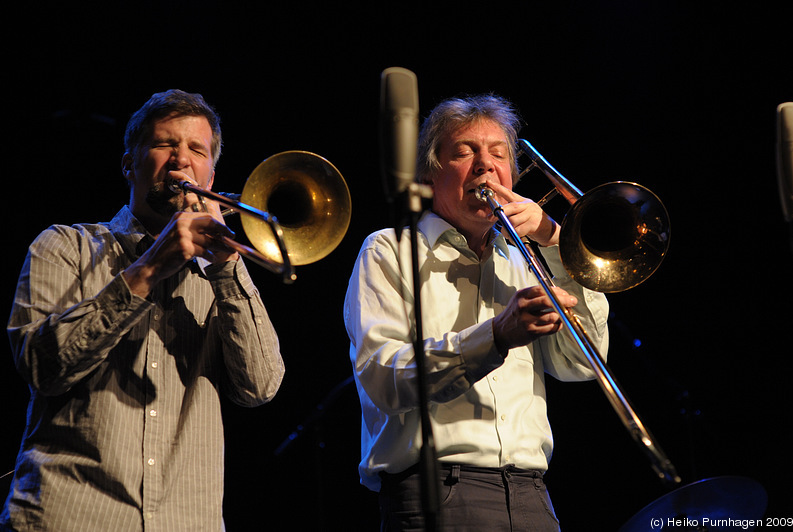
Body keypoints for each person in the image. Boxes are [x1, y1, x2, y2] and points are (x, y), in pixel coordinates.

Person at [1, 89, 285, 531]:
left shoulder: (220, 278)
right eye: (163, 144)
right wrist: (149, 268)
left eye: (197, 149)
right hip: (71, 515)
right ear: (128, 164)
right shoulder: (64, 247)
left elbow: (261, 386)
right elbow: (42, 366)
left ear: (211, 175)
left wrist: (228, 265)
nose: (180, 160)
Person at [344, 94, 610, 531]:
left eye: (499, 153)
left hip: (532, 495)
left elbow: (583, 364)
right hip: (438, 492)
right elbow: (382, 379)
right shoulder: (390, 250)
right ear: (430, 176)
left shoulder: (530, 260)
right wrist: (495, 336)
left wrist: (557, 242)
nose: (485, 165)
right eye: (464, 152)